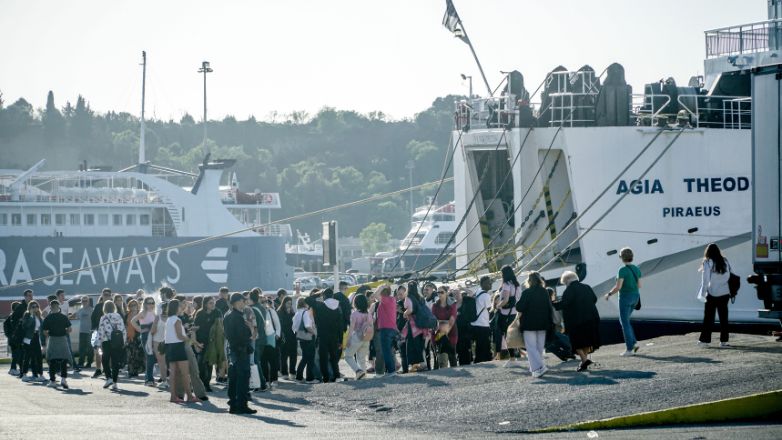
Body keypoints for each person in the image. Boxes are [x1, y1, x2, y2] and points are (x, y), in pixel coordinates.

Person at [555, 271, 601, 372]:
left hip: (576, 321)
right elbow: (594, 299)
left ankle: (584, 360)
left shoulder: (569, 290)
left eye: (565, 283)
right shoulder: (587, 287)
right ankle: (584, 361)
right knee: (587, 341)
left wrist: (552, 304)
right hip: (591, 318)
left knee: (576, 341)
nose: (565, 285)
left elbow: (564, 304)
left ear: (567, 280)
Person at [604, 247, 641, 356]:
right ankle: (634, 343)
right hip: (635, 297)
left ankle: (630, 349)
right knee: (625, 321)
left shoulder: (622, 270)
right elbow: (639, 285)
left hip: (625, 298)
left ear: (621, 257)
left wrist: (609, 294)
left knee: (624, 323)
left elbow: (618, 287)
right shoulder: (636, 269)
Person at [224, 292, 257, 414]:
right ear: (237, 302)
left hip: (233, 350)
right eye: (243, 301)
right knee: (243, 377)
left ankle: (233, 404)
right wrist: (250, 328)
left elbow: (228, 335)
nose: (245, 303)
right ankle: (242, 405)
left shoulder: (228, 316)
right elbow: (244, 335)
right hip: (241, 351)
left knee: (234, 378)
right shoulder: (238, 317)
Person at [516, 271, 553, 378]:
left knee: (531, 348)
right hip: (543, 324)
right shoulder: (544, 291)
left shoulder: (526, 292)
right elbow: (549, 308)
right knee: (539, 348)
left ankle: (539, 368)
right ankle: (536, 369)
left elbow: (519, 307)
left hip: (529, 324)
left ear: (529, 281)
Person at [164, 299, 200, 403]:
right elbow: (180, 336)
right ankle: (189, 396)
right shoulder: (177, 320)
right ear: (176, 308)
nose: (182, 308)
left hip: (169, 347)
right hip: (178, 347)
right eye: (180, 306)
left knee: (173, 374)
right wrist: (191, 340)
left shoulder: (169, 319)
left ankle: (173, 396)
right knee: (185, 373)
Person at [697, 243, 733, 347]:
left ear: (707, 252)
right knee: (724, 318)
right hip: (724, 293)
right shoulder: (725, 261)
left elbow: (705, 280)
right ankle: (724, 342)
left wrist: (703, 294)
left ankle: (704, 341)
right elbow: (730, 275)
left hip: (712, 293)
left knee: (708, 318)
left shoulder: (707, 262)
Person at [305, 288, 343, 383]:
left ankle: (326, 377)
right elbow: (340, 326)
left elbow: (307, 300)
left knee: (323, 358)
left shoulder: (320, 305)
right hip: (334, 336)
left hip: (322, 336)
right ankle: (336, 376)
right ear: (332, 296)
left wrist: (318, 293)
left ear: (324, 296)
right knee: (334, 358)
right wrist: (340, 340)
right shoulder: (338, 306)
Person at [42, 300, 72, 388]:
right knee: (64, 360)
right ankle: (63, 379)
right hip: (62, 339)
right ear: (58, 307)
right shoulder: (63, 317)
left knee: (52, 360)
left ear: (50, 307)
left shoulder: (48, 318)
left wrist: (49, 335)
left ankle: (53, 381)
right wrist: (64, 332)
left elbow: (44, 332)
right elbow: (70, 329)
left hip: (52, 339)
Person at [97, 300, 126, 391]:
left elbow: (101, 331)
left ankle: (109, 377)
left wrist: (98, 343)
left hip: (107, 342)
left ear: (104, 308)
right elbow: (123, 330)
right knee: (115, 362)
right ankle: (115, 383)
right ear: (114, 307)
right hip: (117, 342)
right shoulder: (119, 316)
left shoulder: (103, 317)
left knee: (105, 360)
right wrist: (123, 341)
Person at [497, 266, 522, 365]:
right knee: (515, 334)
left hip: (506, 313)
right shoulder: (517, 284)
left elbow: (505, 300)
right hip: (515, 312)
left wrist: (497, 306)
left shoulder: (506, 284)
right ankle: (516, 355)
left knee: (507, 335)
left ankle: (512, 358)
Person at [400, 281, 427, 373]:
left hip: (413, 325)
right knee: (419, 344)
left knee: (411, 345)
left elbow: (410, 310)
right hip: (421, 324)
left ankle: (415, 365)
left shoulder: (408, 297)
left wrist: (404, 313)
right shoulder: (420, 297)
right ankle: (422, 364)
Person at [131, 296, 158, 386]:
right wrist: (140, 329)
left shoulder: (154, 313)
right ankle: (149, 380)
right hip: (146, 337)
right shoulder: (143, 313)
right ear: (145, 304)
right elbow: (132, 321)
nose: (151, 305)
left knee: (152, 358)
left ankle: (149, 378)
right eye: (149, 303)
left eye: (152, 303)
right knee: (150, 357)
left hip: (154, 336)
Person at [194, 296, 219, 390]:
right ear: (205, 304)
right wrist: (196, 343)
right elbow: (195, 328)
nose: (213, 305)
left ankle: (207, 383)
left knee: (210, 363)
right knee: (201, 363)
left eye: (213, 302)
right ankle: (200, 383)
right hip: (201, 342)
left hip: (212, 341)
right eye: (210, 303)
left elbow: (220, 326)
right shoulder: (200, 313)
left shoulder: (217, 312)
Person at [344, 293, 372, 379]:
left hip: (357, 337)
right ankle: (363, 376)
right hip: (366, 338)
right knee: (361, 359)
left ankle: (358, 371)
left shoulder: (354, 314)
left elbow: (351, 328)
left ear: (355, 303)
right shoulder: (369, 314)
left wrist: (348, 339)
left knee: (347, 356)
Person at [431, 286, 458, 368]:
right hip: (439, 331)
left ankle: (456, 373)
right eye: (438, 292)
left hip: (451, 331)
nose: (439, 294)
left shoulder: (452, 304)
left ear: (446, 293)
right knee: (442, 356)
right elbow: (433, 320)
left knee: (452, 355)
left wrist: (445, 330)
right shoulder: (435, 305)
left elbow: (452, 320)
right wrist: (441, 330)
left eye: (442, 292)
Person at [19, 301, 45, 383]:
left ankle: (40, 375)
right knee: (27, 357)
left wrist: (43, 343)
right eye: (33, 307)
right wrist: (31, 315)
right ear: (29, 308)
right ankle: (24, 375)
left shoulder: (39, 316)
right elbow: (25, 326)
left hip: (37, 337)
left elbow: (41, 329)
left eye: (36, 306)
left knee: (39, 357)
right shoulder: (27, 315)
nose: (35, 308)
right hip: (29, 339)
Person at [375, 285, 398, 377]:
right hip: (391, 328)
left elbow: (375, 295)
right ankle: (391, 370)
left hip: (385, 329)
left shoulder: (386, 300)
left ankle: (391, 371)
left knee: (386, 351)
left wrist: (380, 287)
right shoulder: (392, 299)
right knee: (389, 351)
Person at [293, 298, 318, 383]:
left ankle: (299, 377)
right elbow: (307, 326)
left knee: (305, 358)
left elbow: (294, 327)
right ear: (305, 304)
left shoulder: (297, 313)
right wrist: (314, 333)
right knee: (310, 358)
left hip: (301, 337)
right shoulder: (306, 312)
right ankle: (309, 378)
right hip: (308, 337)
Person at [90, 288, 113, 378]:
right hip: (99, 331)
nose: (106, 296)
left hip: (110, 333)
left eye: (108, 295)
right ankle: (98, 369)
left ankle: (108, 370)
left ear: (111, 296)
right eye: (105, 294)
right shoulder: (98, 306)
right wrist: (94, 329)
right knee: (97, 351)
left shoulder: (113, 306)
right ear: (102, 295)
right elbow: (93, 318)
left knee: (109, 352)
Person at [471, 276, 493, 363]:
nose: (490, 284)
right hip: (483, 323)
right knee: (484, 344)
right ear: (483, 284)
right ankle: (483, 360)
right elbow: (490, 309)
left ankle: (480, 360)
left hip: (475, 323)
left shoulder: (477, 292)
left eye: (490, 282)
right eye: (488, 283)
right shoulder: (486, 295)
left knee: (479, 344)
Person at [261, 295, 281, 385]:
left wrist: (277, 334)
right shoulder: (257, 311)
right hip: (261, 338)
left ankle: (274, 379)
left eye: (265, 301)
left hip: (270, 336)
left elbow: (277, 324)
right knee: (263, 360)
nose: (263, 303)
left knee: (272, 359)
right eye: (262, 302)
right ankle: (266, 380)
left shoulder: (271, 311)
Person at [277, 297, 297, 381]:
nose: (289, 305)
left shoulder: (292, 312)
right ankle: (284, 373)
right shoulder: (280, 312)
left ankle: (292, 372)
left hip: (292, 336)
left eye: (290, 303)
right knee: (284, 355)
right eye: (288, 303)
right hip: (284, 336)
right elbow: (281, 325)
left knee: (293, 355)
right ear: (284, 303)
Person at [124, 299, 145, 378]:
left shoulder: (140, 314)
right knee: (130, 355)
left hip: (138, 337)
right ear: (129, 307)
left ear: (137, 306)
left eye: (135, 305)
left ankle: (136, 370)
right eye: (131, 305)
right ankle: (131, 371)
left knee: (138, 355)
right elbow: (125, 326)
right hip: (129, 337)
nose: (133, 307)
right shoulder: (127, 315)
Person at [151, 302, 169, 389]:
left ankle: (164, 381)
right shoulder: (171, 318)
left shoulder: (158, 317)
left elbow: (153, 330)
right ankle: (165, 379)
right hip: (167, 342)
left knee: (161, 362)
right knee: (165, 362)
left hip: (157, 342)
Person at [75, 296, 94, 372]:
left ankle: (89, 363)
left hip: (90, 331)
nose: (84, 302)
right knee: (81, 348)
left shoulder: (92, 310)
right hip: (82, 331)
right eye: (83, 301)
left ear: (88, 301)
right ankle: (81, 363)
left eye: (86, 301)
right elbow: (76, 316)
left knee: (89, 348)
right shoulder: (80, 310)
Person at [6, 301, 24, 376]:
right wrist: (11, 336)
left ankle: (17, 368)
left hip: (14, 339)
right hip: (14, 339)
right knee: (16, 354)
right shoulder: (12, 317)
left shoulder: (11, 316)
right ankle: (13, 369)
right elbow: (8, 328)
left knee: (17, 354)